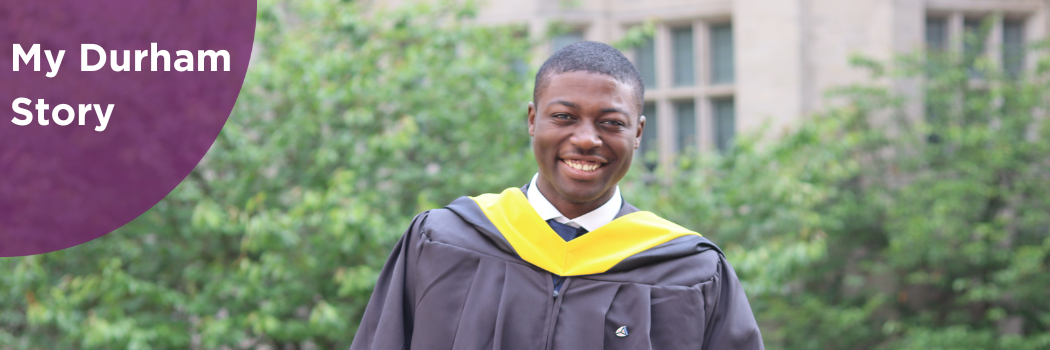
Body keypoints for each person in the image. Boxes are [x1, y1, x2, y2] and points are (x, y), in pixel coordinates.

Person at [349, 41, 763, 349]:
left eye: (610, 123)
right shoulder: (442, 241)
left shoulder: (691, 272)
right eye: (564, 117)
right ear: (533, 120)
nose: (586, 139)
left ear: (637, 133)